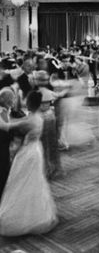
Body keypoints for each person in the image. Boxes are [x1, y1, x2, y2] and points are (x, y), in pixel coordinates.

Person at [0, 90, 58, 236]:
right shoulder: (37, 116)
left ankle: (23, 217)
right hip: (35, 150)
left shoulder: (32, 119)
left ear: (31, 103)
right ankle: (36, 214)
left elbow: (8, 126)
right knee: (33, 182)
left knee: (22, 182)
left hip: (29, 153)